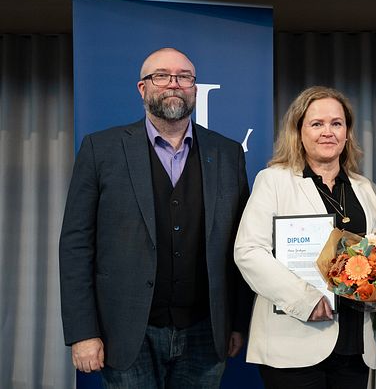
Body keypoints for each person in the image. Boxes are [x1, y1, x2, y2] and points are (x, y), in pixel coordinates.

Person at [59, 47, 252, 388]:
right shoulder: (100, 149)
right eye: (161, 76)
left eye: (184, 77)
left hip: (206, 332)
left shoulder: (228, 153)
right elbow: (76, 246)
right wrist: (83, 332)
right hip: (125, 332)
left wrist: (237, 323)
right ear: (142, 88)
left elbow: (243, 244)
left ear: (194, 87)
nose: (174, 84)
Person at [233, 86, 376, 389]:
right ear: (299, 132)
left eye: (337, 123)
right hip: (293, 342)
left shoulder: (365, 189)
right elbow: (249, 251)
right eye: (316, 124)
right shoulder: (274, 181)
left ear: (347, 132)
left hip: (355, 345)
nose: (327, 132)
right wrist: (304, 300)